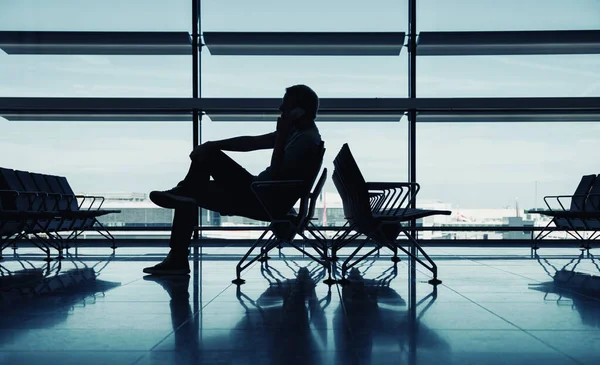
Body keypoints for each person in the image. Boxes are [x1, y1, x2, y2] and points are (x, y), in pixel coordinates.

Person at [143, 84, 323, 275]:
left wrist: (280, 138)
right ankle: (182, 194)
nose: (280, 109)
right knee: (207, 155)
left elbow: (277, 173)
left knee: (190, 194)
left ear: (298, 111)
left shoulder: (304, 140)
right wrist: (214, 144)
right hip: (258, 190)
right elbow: (252, 142)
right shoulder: (298, 133)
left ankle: (178, 252)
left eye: (285, 105)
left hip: (262, 199)